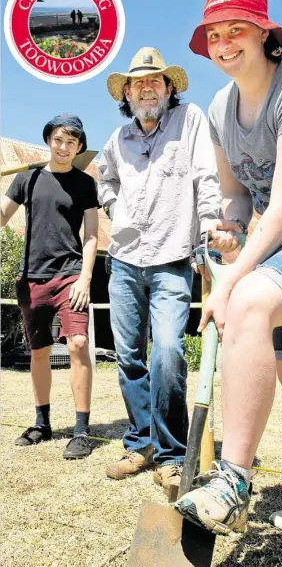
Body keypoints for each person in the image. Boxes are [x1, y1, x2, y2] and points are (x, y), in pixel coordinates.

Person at [175, 0, 282, 533]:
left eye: (237, 30)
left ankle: (232, 479)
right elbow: (240, 200)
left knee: (248, 301)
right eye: (215, 34)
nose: (224, 43)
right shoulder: (220, 110)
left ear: (264, 35)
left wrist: (231, 283)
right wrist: (229, 232)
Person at [98, 47, 223, 496]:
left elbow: (206, 176)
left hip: (173, 256)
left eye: (155, 81)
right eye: (137, 83)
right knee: (129, 356)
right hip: (125, 259)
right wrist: (115, 205)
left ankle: (171, 455)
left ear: (169, 89)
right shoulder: (117, 139)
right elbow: (104, 179)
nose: (146, 88)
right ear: (126, 93)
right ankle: (141, 443)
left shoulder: (190, 122)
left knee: (167, 350)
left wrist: (209, 225)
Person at [1, 114, 100, 460]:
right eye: (58, 139)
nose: (63, 147)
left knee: (78, 343)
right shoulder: (27, 180)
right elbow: (2, 216)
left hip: (71, 274)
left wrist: (86, 278)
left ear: (79, 147)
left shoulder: (85, 184)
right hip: (32, 278)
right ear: (49, 140)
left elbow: (90, 235)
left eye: (71, 142)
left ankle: (82, 430)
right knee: (39, 351)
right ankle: (41, 423)